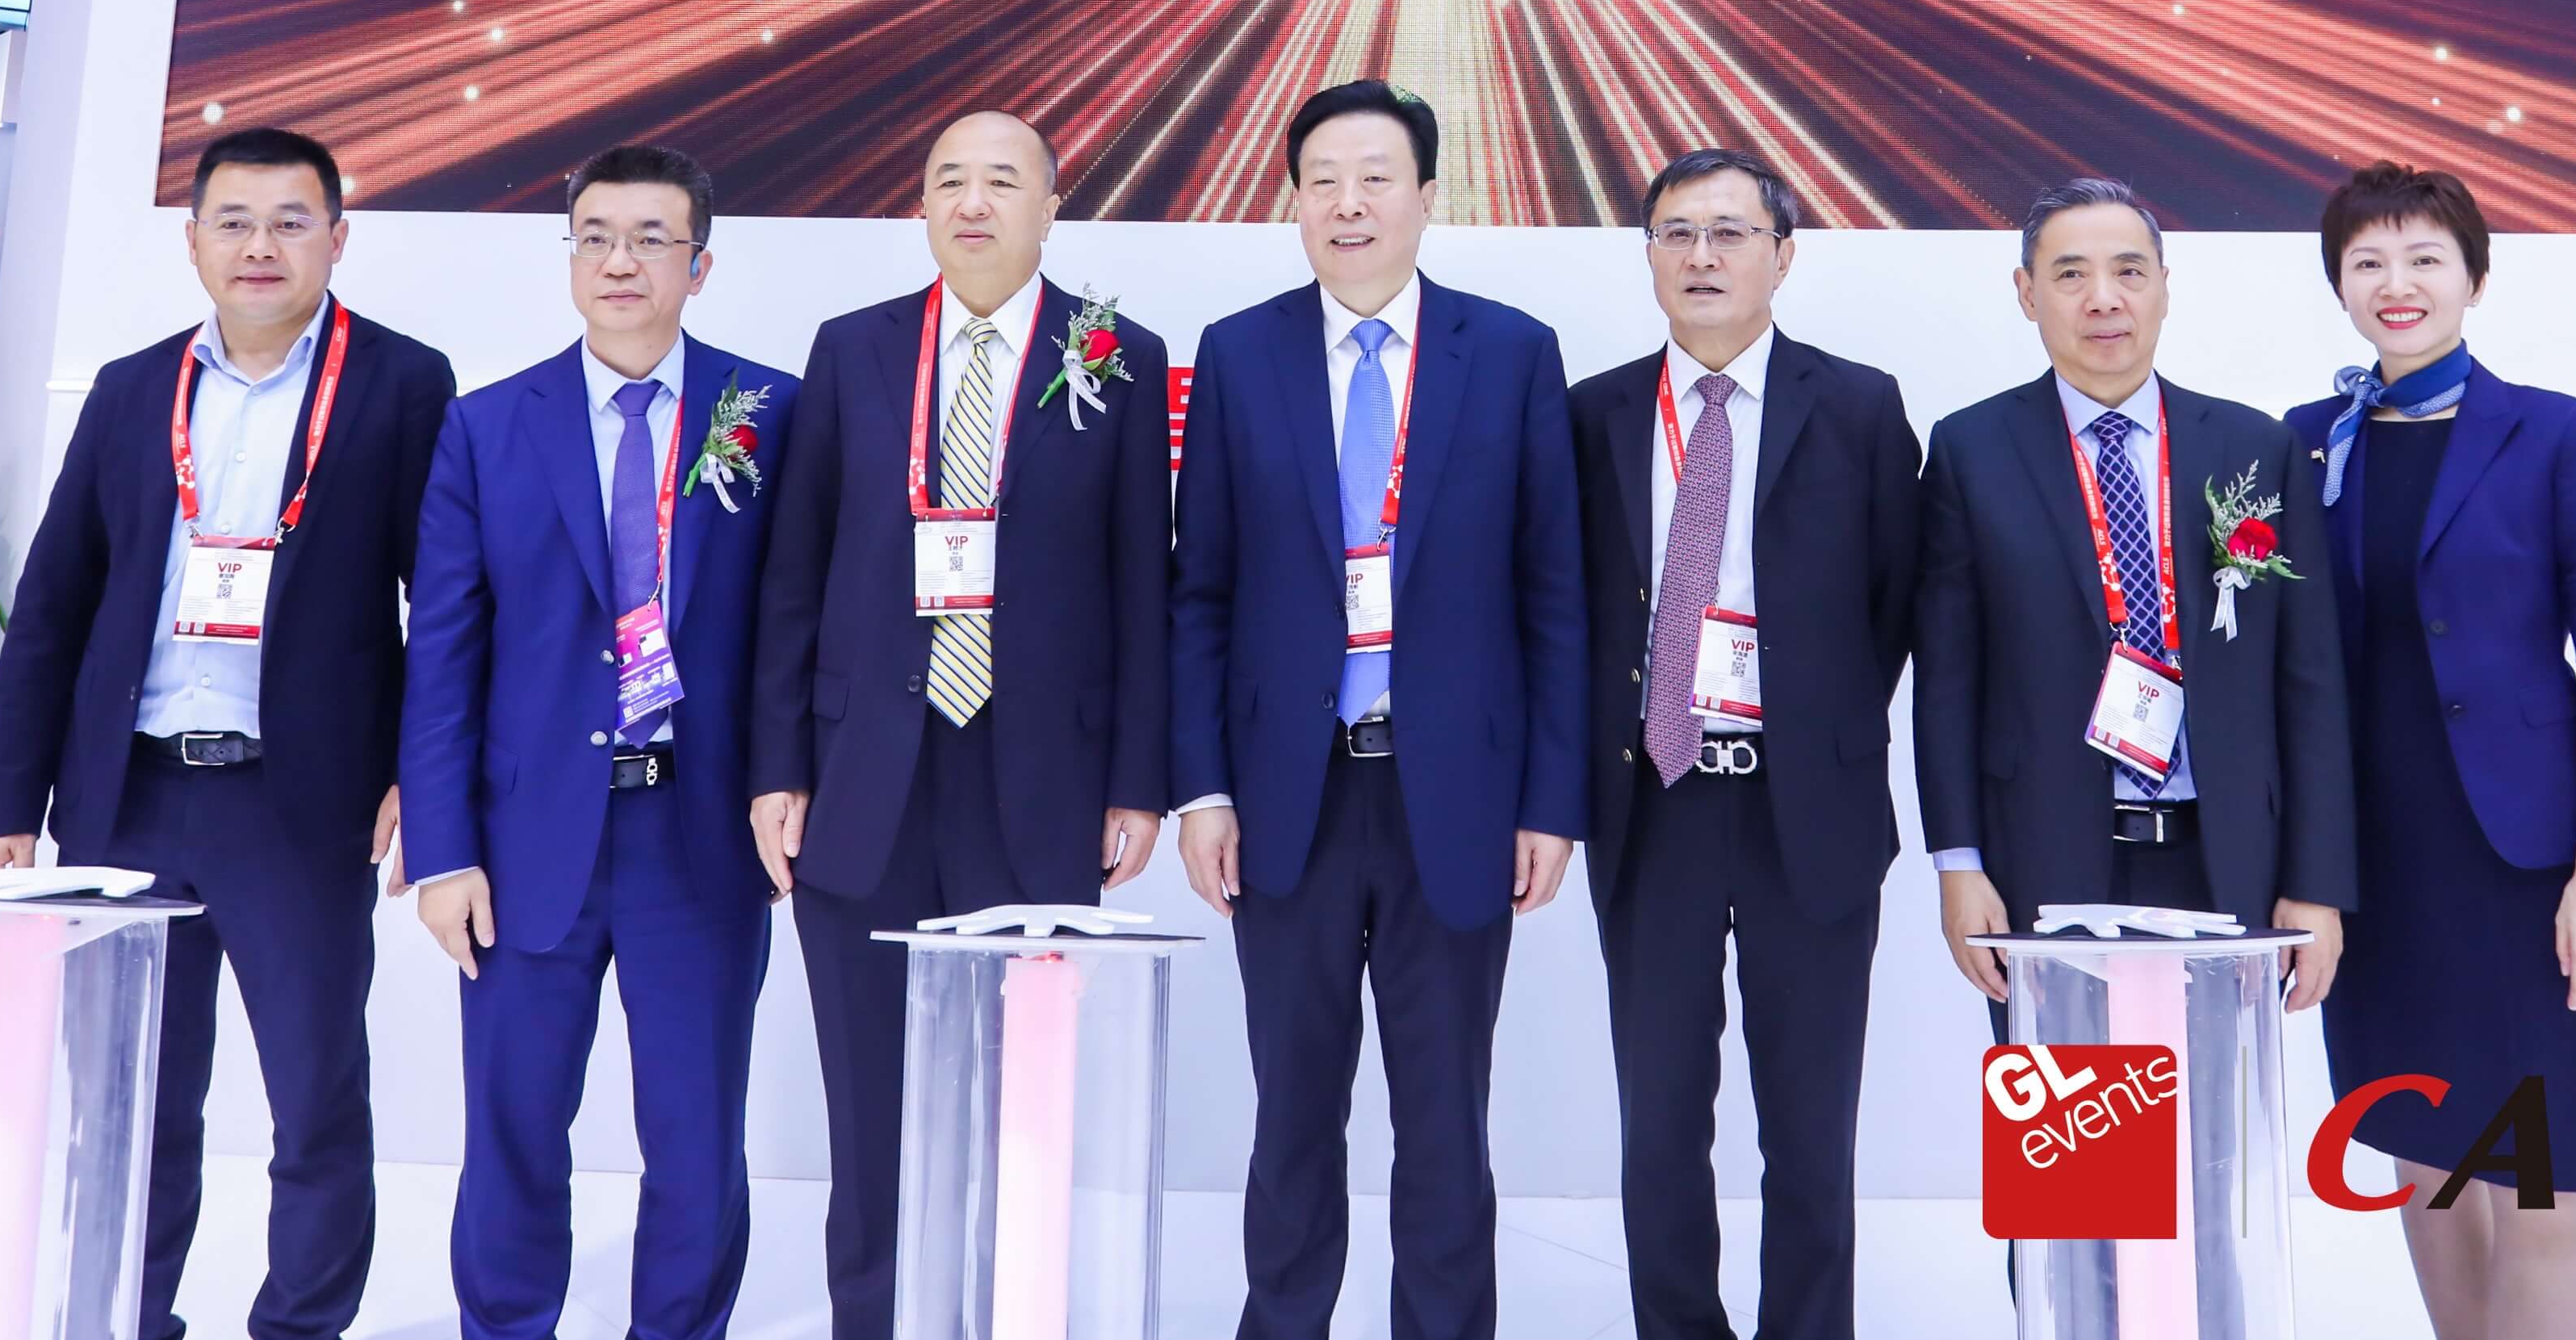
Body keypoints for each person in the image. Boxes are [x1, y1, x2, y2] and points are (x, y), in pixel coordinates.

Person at [0, 128, 457, 1340]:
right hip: (125, 800)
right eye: (234, 220)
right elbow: (56, 602)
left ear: (337, 238)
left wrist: (422, 776)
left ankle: (299, 1325)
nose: (260, 245)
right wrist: (3, 804)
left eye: (291, 220)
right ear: (192, 241)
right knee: (129, 1104)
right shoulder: (133, 387)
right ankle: (126, 1317)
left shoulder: (401, 382)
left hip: (299, 803)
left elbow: (443, 602)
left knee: (316, 1099)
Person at [1170, 78, 1588, 1340]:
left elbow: (1554, 594)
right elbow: (1201, 590)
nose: (1348, 204)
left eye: (1375, 177)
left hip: (1453, 794)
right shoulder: (1239, 352)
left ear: (1426, 195)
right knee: (1293, 1110)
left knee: (1446, 1114)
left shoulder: (1509, 351)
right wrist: (1204, 787)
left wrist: (1550, 801)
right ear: (1294, 200)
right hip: (1284, 796)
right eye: (1323, 181)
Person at [748, 110, 1171, 1340]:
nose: (973, 201)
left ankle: (1009, 1315)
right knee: (869, 1106)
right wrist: (779, 764)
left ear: (1052, 205)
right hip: (863, 778)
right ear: (923, 207)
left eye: (1001, 179)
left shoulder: (1120, 355)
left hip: (1041, 779)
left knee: (1022, 1111)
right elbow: (794, 572)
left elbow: (1143, 580)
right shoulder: (855, 349)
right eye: (949, 180)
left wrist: (1138, 777)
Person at [400, 143, 798, 1340]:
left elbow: (798, 629)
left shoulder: (772, 413)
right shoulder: (486, 426)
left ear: (699, 264)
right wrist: (442, 849)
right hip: (526, 839)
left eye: (652, 240)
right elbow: (444, 656)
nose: (621, 262)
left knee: (696, 1131)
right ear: (571, 256)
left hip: (701, 831)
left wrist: (789, 786)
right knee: (513, 1124)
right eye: (597, 238)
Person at [2281, 163, 2576, 1340]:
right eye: (2367, 262)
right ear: (2340, 285)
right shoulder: (2305, 444)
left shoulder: (2556, 432)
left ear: (2474, 278)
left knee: (2542, 1162)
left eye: (2424, 258)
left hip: (2526, 858)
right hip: (2376, 858)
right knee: (2425, 1153)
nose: (2396, 283)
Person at [1570, 149, 1919, 1340]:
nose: (1703, 256)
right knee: (1660, 1119)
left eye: (1730, 232)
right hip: (1652, 802)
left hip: (1804, 808)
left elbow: (1891, 603)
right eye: (1677, 233)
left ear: (1783, 254)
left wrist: (1813, 725)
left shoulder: (1859, 405)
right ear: (1649, 256)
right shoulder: (1596, 412)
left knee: (1811, 1125)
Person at [1915, 176, 2353, 986]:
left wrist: (2315, 881)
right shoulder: (1971, 451)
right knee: (2067, 1076)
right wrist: (1958, 863)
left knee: (2216, 1074)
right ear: (2027, 293)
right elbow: (1947, 679)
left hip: (2231, 860)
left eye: (2128, 271)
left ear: (2163, 288)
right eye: (2070, 274)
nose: (2103, 299)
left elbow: (2310, 681)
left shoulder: (2255, 449)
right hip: (2038, 862)